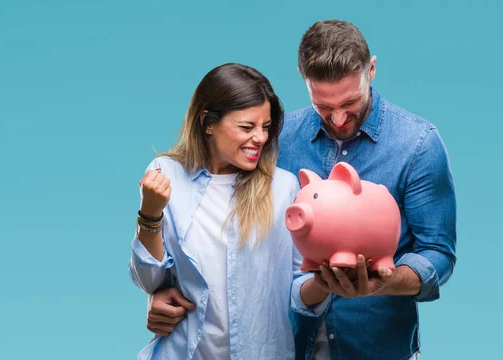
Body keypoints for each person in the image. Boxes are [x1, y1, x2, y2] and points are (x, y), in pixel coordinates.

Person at [145, 20, 457, 360]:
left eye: (350, 102)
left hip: (376, 347)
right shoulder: (275, 138)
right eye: (323, 106)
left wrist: (387, 281)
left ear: (371, 69)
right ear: (302, 78)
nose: (338, 118)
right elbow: (219, 227)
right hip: (291, 346)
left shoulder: (418, 144)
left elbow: (438, 252)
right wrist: (164, 291)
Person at [128, 63, 334, 360]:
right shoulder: (166, 175)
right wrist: (150, 214)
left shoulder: (284, 189)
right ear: (208, 123)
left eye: (265, 127)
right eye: (247, 127)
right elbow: (150, 281)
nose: (260, 138)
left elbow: (298, 290)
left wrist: (323, 283)